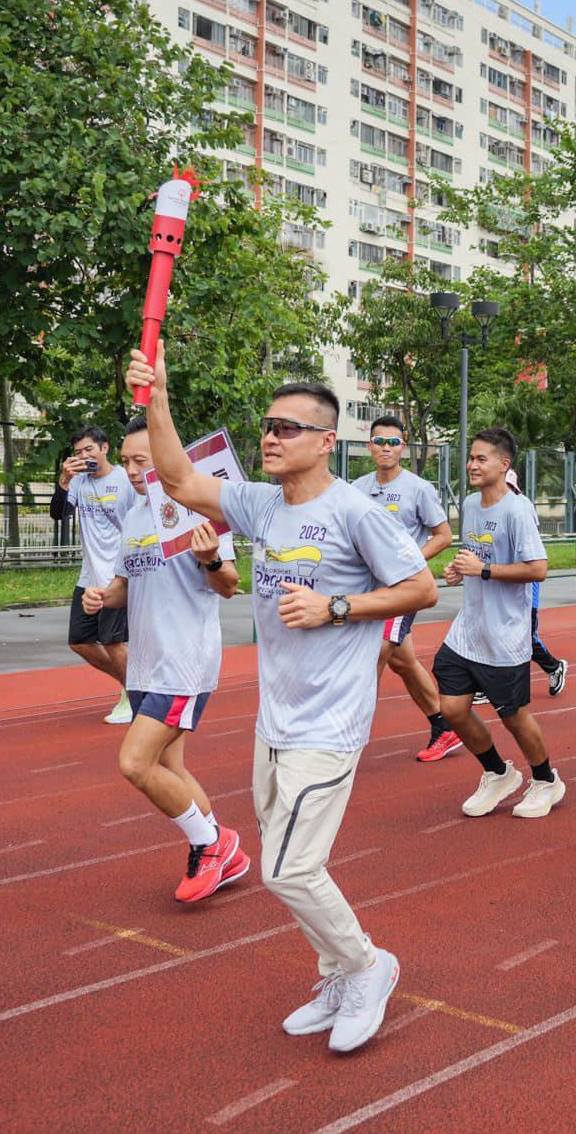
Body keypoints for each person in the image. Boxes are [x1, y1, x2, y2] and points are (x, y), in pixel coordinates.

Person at [127, 344, 437, 1055]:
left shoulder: (357, 512)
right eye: (266, 425)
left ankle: (366, 966)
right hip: (276, 719)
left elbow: (421, 588)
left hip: (330, 721)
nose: (270, 436)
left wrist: (336, 607)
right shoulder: (261, 503)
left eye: (288, 427)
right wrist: (159, 395)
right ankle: (334, 971)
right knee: (289, 858)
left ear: (328, 441)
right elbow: (176, 476)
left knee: (288, 867)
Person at [81, 418, 246, 901]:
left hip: (184, 662)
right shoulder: (133, 516)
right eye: (128, 461)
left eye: (141, 462)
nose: (131, 471)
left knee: (134, 763)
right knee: (168, 765)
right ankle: (224, 852)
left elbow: (229, 585)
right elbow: (127, 586)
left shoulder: (196, 508)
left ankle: (213, 843)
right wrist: (102, 598)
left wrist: (212, 559)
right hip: (144, 663)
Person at [435, 436, 562, 819]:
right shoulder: (471, 503)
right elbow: (476, 554)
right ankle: (498, 772)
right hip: (467, 630)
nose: (472, 465)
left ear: (504, 464)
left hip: (505, 636)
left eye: (480, 459)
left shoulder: (517, 510)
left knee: (513, 716)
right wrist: (460, 570)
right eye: (470, 458)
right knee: (452, 710)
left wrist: (484, 570)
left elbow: (538, 568)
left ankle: (546, 780)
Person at [350, 416, 459, 762]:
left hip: (402, 589)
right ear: (369, 446)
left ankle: (347, 735)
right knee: (404, 662)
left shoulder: (418, 489)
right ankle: (445, 727)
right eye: (379, 441)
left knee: (376, 653)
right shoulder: (357, 488)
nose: (386, 448)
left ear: (403, 448)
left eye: (393, 442)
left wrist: (408, 563)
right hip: (368, 588)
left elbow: (444, 536)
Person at [52, 426, 133, 723]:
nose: (84, 457)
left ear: (105, 448)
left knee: (112, 642)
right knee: (80, 641)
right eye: (78, 453)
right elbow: (58, 514)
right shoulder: (78, 482)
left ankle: (133, 696)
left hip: (119, 574)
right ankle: (135, 683)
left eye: (89, 450)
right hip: (89, 576)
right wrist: (64, 480)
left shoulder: (125, 479)